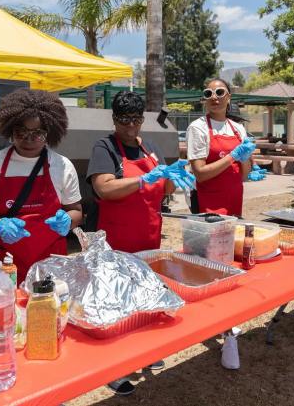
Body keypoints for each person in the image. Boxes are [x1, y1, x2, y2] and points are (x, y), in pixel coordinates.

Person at [86, 90, 194, 396]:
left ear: (142, 119)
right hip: (116, 242)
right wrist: (141, 180)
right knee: (114, 306)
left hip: (149, 238)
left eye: (135, 119)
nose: (130, 126)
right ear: (114, 119)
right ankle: (115, 370)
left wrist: (174, 177)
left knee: (144, 301)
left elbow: (164, 187)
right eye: (123, 120)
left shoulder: (151, 148)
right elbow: (104, 188)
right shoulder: (104, 147)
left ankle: (144, 354)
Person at [0, 89, 82, 284]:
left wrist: (68, 221)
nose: (29, 140)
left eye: (37, 134)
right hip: (5, 266)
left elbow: (76, 211)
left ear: (49, 133)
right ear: (10, 131)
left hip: (51, 265)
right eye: (21, 132)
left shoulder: (62, 165)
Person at [186, 78, 255, 216]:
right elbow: (200, 174)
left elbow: (244, 175)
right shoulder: (198, 128)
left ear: (228, 97)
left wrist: (245, 159)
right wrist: (232, 156)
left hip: (234, 200)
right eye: (208, 94)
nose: (214, 97)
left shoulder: (238, 128)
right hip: (209, 202)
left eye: (219, 92)